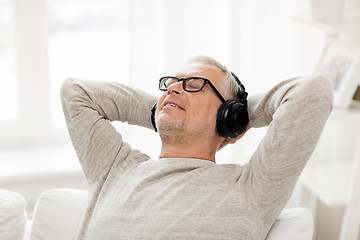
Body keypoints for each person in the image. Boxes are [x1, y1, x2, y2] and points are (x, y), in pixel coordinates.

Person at [61, 55, 332, 240]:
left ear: (227, 114)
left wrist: (237, 117)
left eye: (194, 85)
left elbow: (313, 92)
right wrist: (162, 110)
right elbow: (75, 92)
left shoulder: (251, 188)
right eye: (170, 83)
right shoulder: (114, 168)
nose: (173, 89)